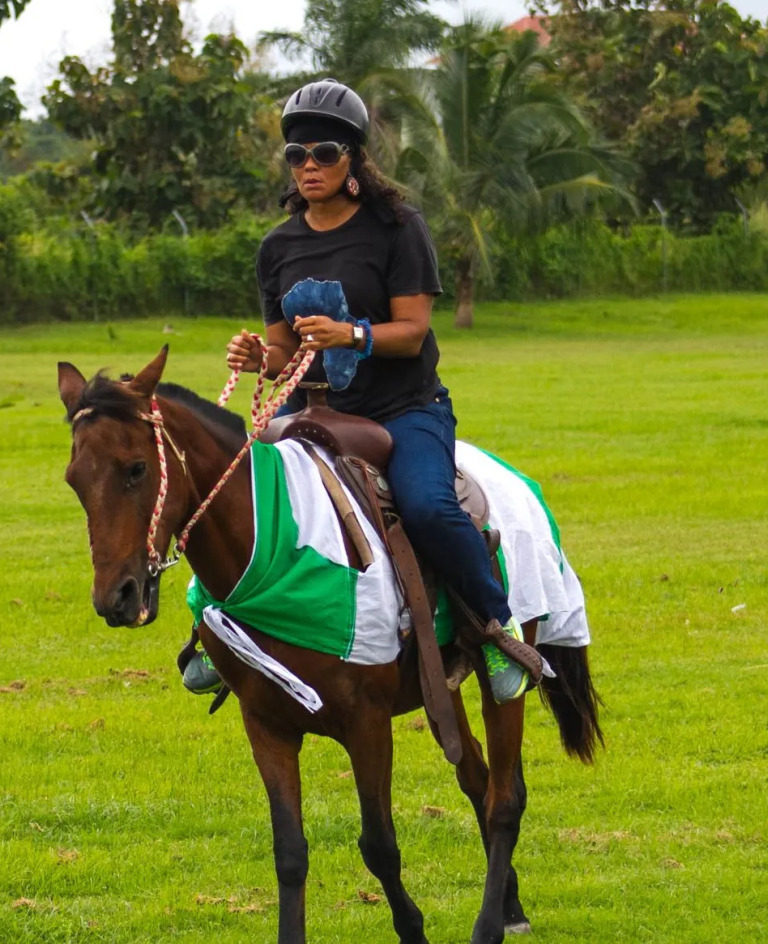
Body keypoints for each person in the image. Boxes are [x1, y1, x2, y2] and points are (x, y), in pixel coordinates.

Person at [181, 78, 531, 704]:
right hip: (309, 410)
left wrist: (350, 333)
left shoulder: (398, 229)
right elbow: (285, 352)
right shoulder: (277, 246)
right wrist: (260, 358)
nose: (308, 166)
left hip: (403, 410)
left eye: (324, 153)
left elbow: (413, 331)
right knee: (226, 488)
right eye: (296, 155)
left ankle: (495, 629)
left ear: (354, 161)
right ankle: (214, 629)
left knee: (426, 506)